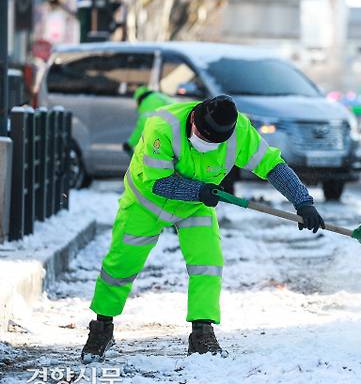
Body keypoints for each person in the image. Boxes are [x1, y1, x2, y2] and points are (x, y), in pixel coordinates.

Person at [81, 95, 325, 363]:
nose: (205, 143)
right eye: (202, 136)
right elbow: (158, 183)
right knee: (121, 264)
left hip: (195, 206)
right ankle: (102, 327)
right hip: (146, 202)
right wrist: (198, 189)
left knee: (208, 263)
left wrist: (302, 202)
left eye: (213, 142)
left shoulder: (240, 132)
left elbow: (272, 166)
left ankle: (202, 332)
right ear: (194, 118)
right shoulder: (163, 126)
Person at [123, 86, 175, 155]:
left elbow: (142, 126)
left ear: (139, 99)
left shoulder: (148, 103)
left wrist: (130, 143)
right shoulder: (158, 96)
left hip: (167, 134)